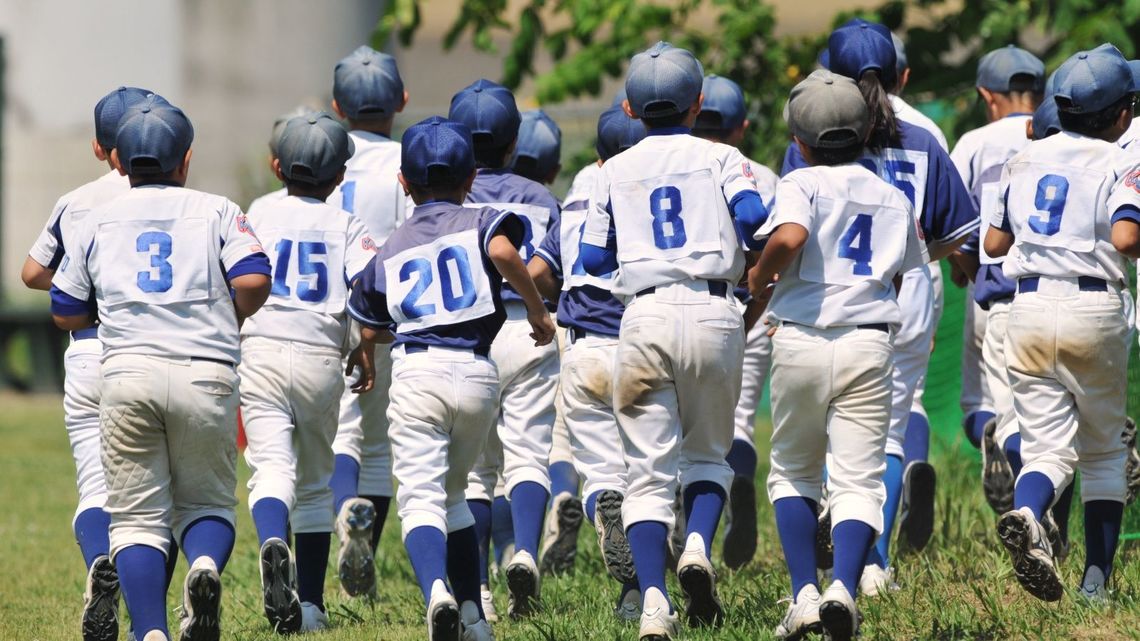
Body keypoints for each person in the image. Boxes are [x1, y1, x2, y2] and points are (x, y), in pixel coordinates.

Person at [50, 96, 272, 641]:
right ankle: (202, 568)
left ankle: (150, 631)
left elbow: (63, 308)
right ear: (186, 159)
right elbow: (254, 279)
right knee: (205, 502)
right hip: (206, 370)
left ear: (119, 160)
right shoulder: (217, 208)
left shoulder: (97, 218)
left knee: (135, 519)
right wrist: (227, 315)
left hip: (126, 373)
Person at [580, 41, 769, 639]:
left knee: (645, 471)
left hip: (644, 315)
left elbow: (590, 254)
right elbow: (754, 220)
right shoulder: (722, 157)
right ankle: (694, 546)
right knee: (708, 456)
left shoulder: (613, 169)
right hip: (714, 309)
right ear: (698, 104)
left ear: (631, 110)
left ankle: (655, 603)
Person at [784, 21, 977, 592]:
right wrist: (914, 256)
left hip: (830, 294)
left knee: (823, 427)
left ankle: (835, 548)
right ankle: (875, 563)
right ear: (902, 74)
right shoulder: (924, 130)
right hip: (908, 291)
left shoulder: (822, 125)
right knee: (888, 430)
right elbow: (958, 233)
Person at [347, 115, 555, 641]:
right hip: (477, 373)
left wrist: (366, 356)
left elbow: (368, 320)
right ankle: (474, 619)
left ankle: (438, 592)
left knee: (421, 496)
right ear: (469, 179)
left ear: (403, 183)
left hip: (419, 373)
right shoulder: (483, 217)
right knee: (458, 493)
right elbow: (505, 251)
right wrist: (535, 311)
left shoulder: (391, 245)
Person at [753, 68, 928, 641]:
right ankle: (845, 590)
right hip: (869, 340)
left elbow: (791, 238)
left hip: (803, 336)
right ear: (867, 130)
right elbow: (902, 275)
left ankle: (804, 592)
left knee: (793, 472)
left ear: (799, 142)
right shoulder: (893, 196)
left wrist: (759, 276)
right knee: (859, 479)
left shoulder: (799, 183)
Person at [984, 43, 1140, 603]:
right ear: (1121, 115)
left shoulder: (1021, 160)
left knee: (1047, 450)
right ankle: (1095, 582)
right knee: (1101, 451)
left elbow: (993, 242)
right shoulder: (1122, 160)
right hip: (1092, 309)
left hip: (1025, 309)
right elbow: (1126, 236)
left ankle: (1027, 512)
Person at [21, 85, 156, 641]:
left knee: (94, 487)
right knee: (152, 495)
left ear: (101, 149)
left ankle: (99, 560)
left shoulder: (76, 201)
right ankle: (152, 610)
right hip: (151, 348)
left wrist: (82, 285)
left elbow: (31, 273)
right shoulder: (173, 194)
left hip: (89, 351)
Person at [239, 113, 376, 633]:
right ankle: (313, 604)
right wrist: (365, 347)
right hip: (321, 356)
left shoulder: (258, 212)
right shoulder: (346, 223)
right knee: (318, 485)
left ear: (276, 166)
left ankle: (275, 539)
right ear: (340, 176)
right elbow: (368, 290)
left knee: (271, 469)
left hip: (263, 350)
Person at [528, 104, 647, 620]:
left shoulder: (575, 204)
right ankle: (658, 571)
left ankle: (628, 588)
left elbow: (537, 271)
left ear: (597, 155)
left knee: (600, 469)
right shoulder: (647, 196)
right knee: (653, 467)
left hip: (582, 348)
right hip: (642, 343)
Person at [449, 79, 562, 619]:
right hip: (526, 325)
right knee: (527, 455)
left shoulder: (447, 197)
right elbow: (547, 269)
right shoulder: (540, 197)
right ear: (515, 141)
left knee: (473, 470)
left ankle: (481, 595)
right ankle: (522, 552)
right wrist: (521, 286)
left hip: (469, 334)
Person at [325, 44, 409, 598]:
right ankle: (363, 561)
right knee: (375, 444)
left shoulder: (319, 151)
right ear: (402, 100)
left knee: (332, 437)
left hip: (313, 313)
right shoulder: (409, 159)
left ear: (336, 106)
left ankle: (332, 518)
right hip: (378, 314)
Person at [948, 45, 1045, 511]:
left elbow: (957, 229)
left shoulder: (973, 142)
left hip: (993, 294)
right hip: (1058, 291)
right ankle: (1045, 515)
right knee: (1050, 417)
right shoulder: (1059, 134)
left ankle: (995, 441)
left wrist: (965, 273)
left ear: (989, 96)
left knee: (985, 404)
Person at [692, 73, 778, 571]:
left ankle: (690, 530)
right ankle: (740, 482)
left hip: (692, 307)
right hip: (755, 308)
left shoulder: (677, 163)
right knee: (739, 420)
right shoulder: (764, 175)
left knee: (689, 427)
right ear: (741, 127)